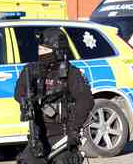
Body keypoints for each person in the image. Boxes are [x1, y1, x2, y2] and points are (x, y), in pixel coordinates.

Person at [15, 28, 95, 164]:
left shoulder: (71, 73)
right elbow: (19, 92)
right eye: (39, 50)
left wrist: (73, 130)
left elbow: (86, 101)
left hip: (63, 135)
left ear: (57, 51)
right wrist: (26, 99)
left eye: (45, 50)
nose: (41, 54)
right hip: (39, 136)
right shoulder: (31, 71)